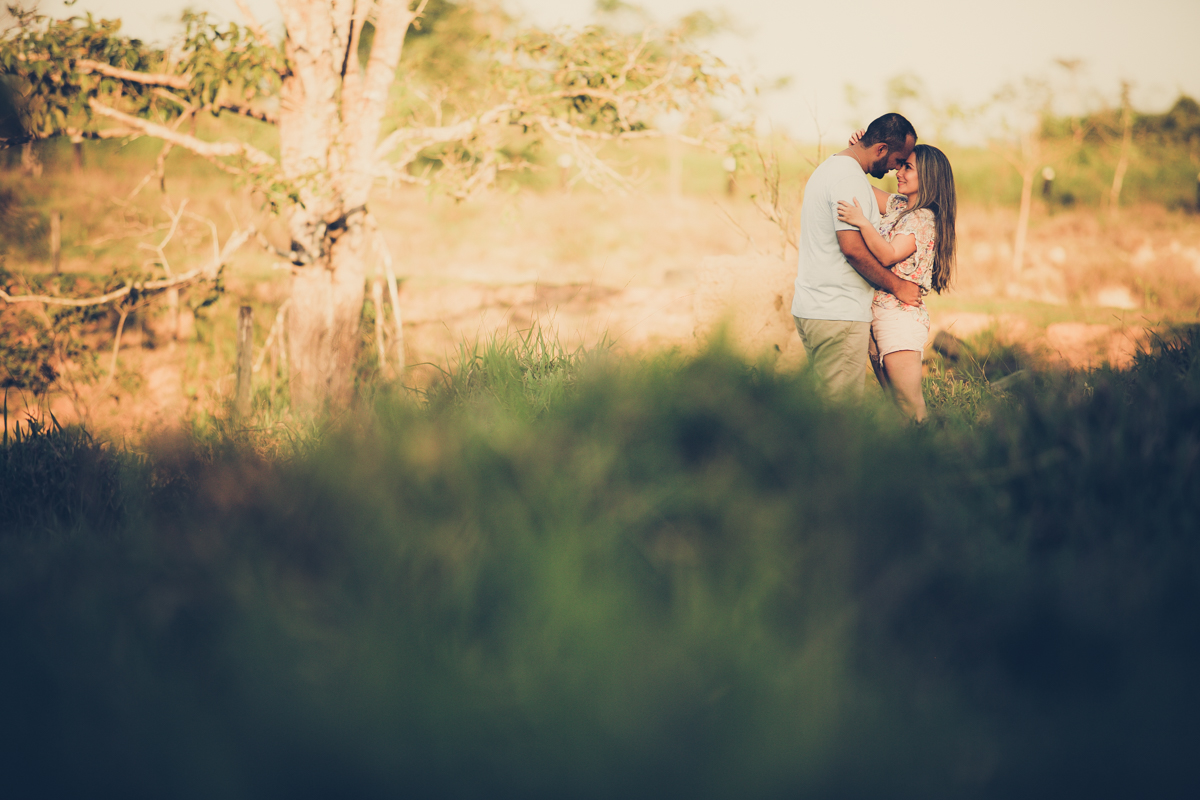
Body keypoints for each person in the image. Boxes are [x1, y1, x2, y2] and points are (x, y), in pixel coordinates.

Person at [791, 113, 921, 400]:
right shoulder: (848, 178)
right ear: (881, 149)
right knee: (840, 415)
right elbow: (851, 249)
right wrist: (897, 286)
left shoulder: (836, 170)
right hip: (838, 312)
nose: (896, 169)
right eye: (898, 160)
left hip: (815, 308)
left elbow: (903, 206)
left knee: (825, 406)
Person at [836, 138, 958, 422]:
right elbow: (859, 187)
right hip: (878, 313)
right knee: (894, 404)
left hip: (899, 318)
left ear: (928, 176)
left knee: (909, 404)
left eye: (908, 168)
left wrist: (863, 223)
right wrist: (859, 151)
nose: (898, 172)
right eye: (900, 165)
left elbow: (889, 255)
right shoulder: (900, 206)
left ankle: (930, 455)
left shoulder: (924, 218)